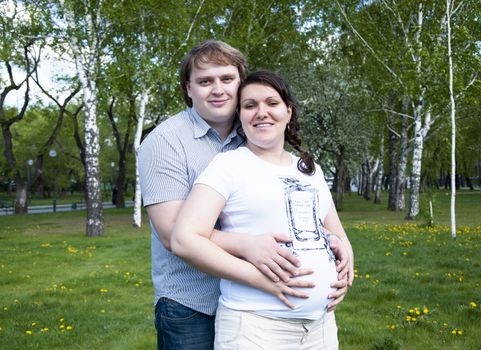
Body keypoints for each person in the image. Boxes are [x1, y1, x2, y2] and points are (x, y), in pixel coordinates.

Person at [138, 40, 350, 349]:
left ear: (240, 83)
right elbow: (174, 236)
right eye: (205, 81)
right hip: (192, 303)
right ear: (188, 89)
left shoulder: (254, 135)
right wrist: (247, 246)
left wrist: (342, 252)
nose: (217, 89)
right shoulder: (165, 142)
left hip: (266, 305)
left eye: (227, 79)